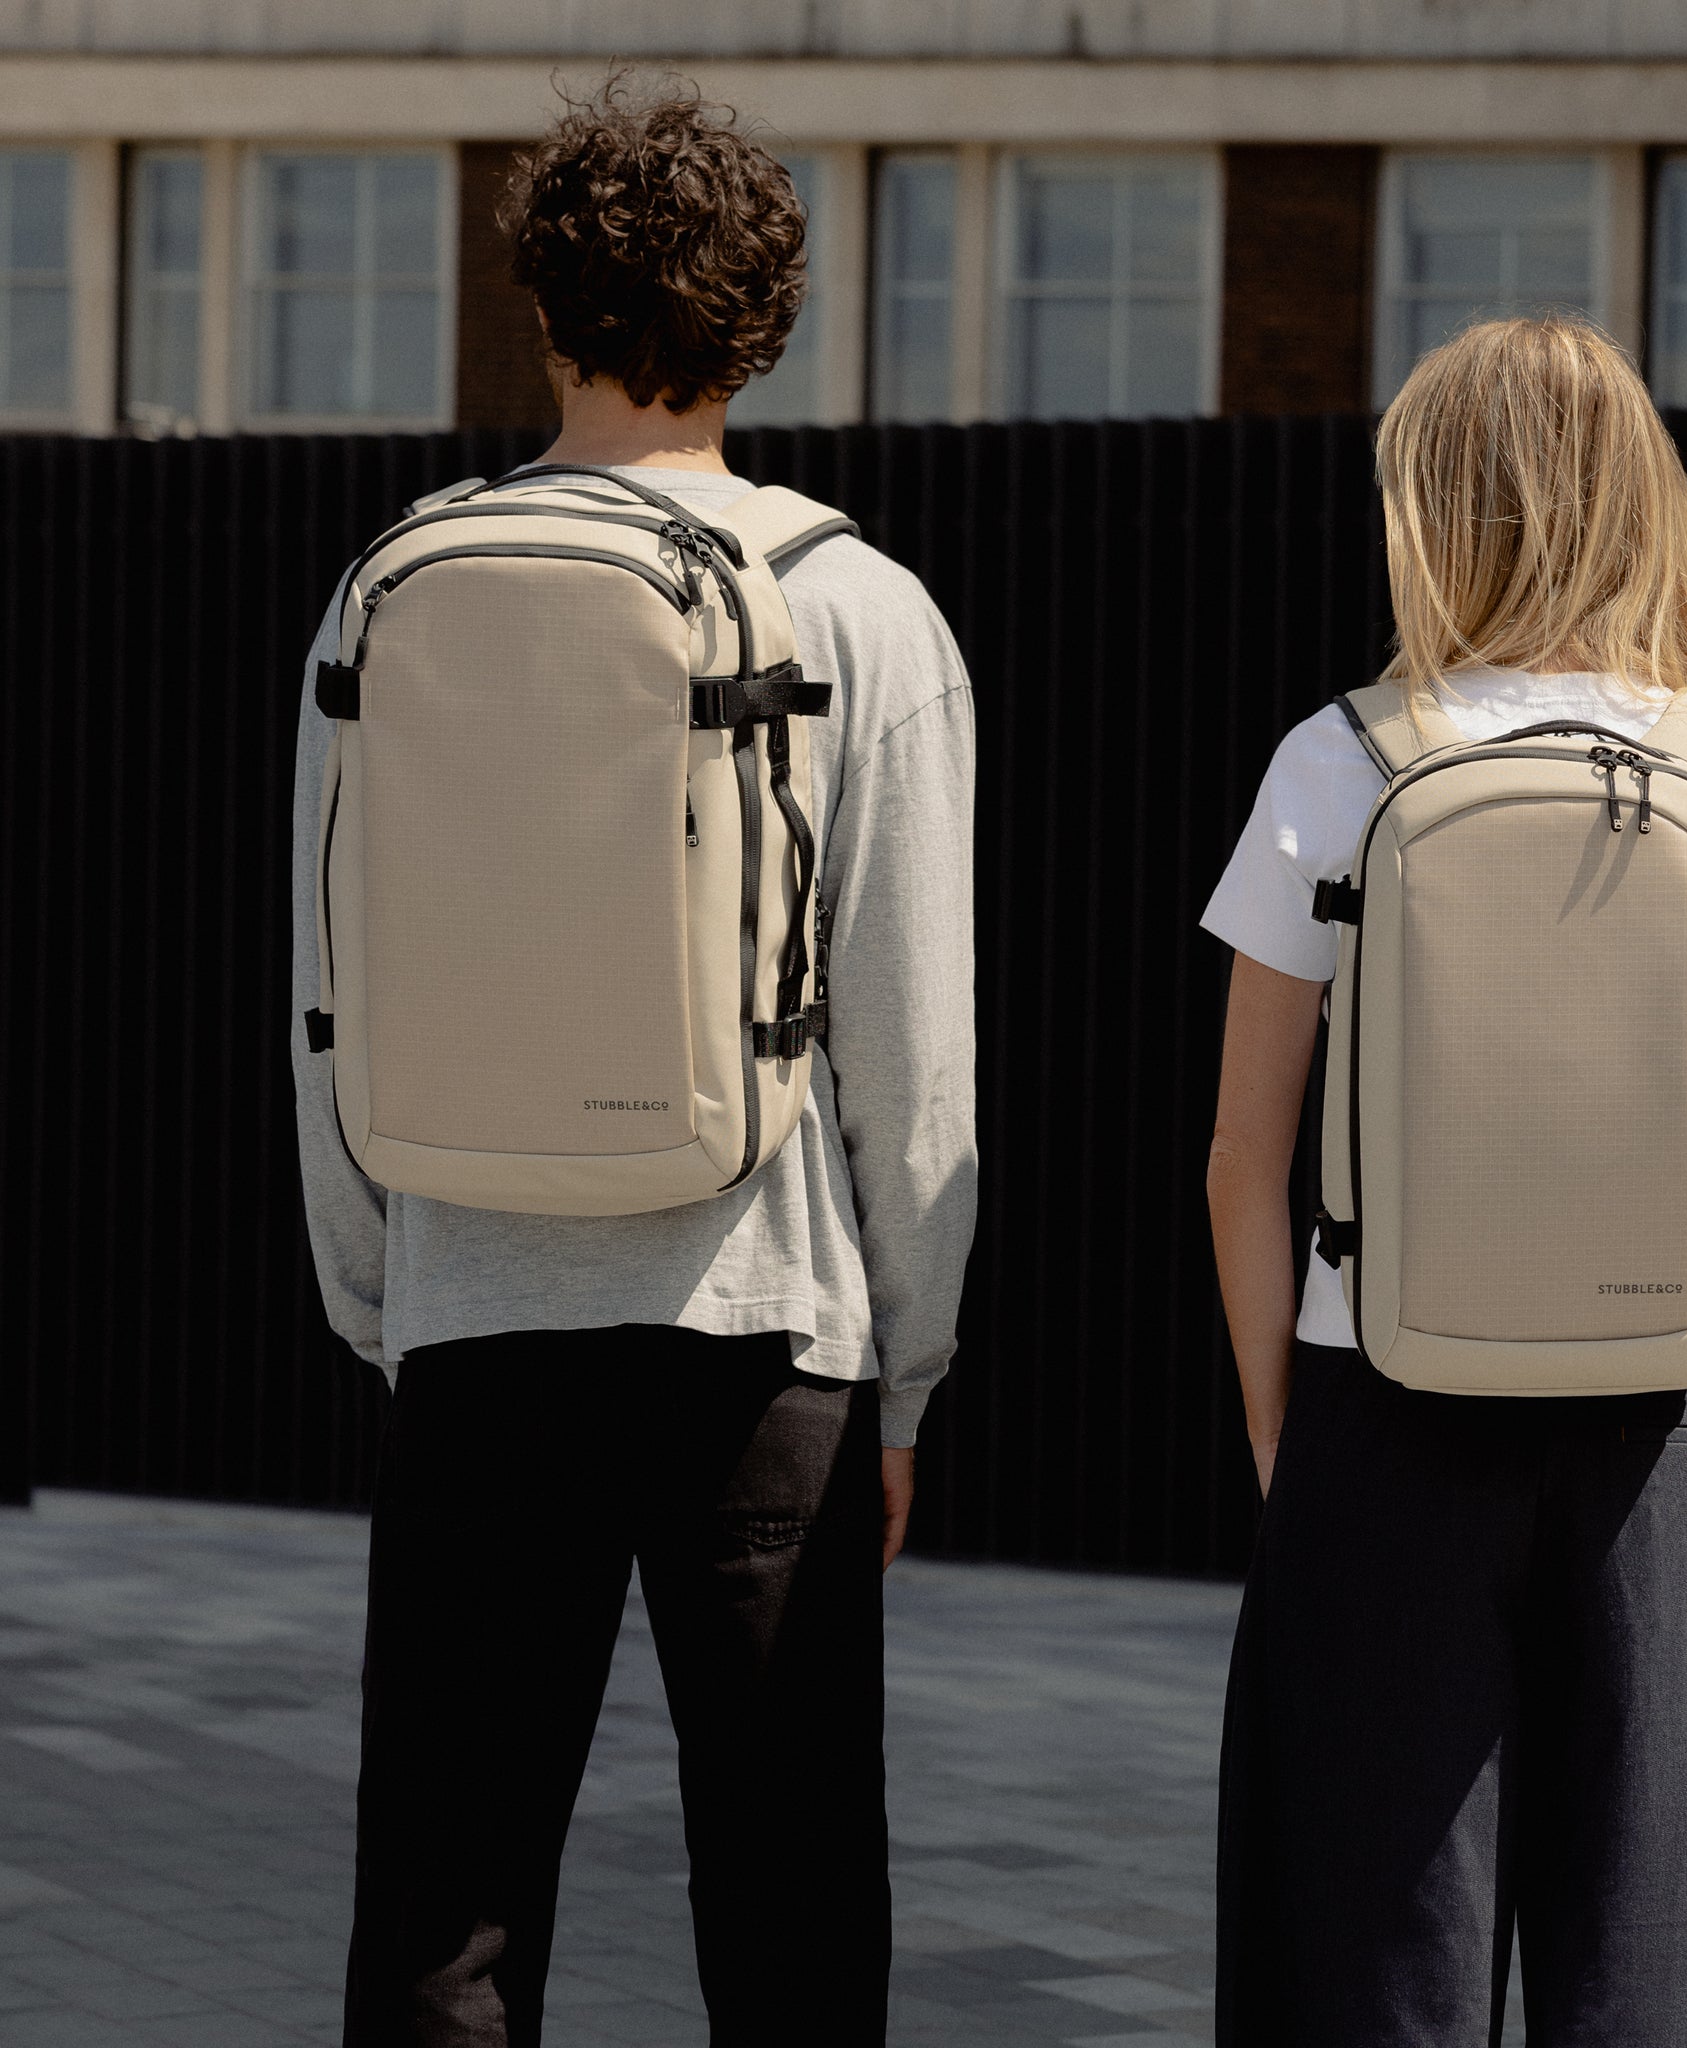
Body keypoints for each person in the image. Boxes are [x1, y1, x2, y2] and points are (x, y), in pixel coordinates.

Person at [289, 85, 977, 2047]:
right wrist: (903, 1368)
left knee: (447, 1903)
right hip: (765, 1343)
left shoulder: (388, 590)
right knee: (786, 1892)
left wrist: (388, 1292)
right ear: (763, 322)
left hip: (478, 1318)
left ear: (544, 305)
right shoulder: (861, 607)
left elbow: (326, 992)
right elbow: (914, 1071)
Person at [1203, 314, 1687, 2046]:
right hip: (1674, 1417)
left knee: (1363, 1971)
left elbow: (1241, 1161)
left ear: (1430, 509)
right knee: (1675, 1985)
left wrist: (1298, 1446)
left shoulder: (1338, 761)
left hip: (1384, 1408)